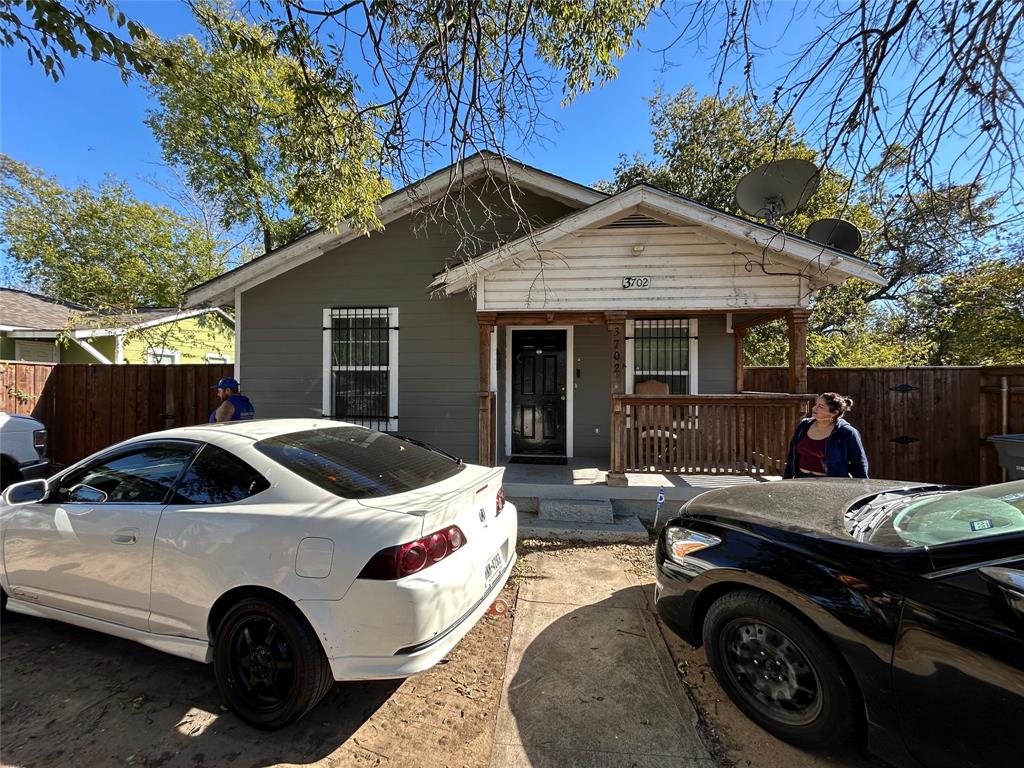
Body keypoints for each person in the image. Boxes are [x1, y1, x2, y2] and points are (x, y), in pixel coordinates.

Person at [783, 392, 868, 479]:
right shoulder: (804, 426)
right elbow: (792, 456)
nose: (814, 408)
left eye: (820, 406)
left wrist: (863, 487)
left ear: (834, 413)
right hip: (801, 479)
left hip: (830, 484)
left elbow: (859, 463)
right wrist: (786, 479)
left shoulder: (846, 432)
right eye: (816, 404)